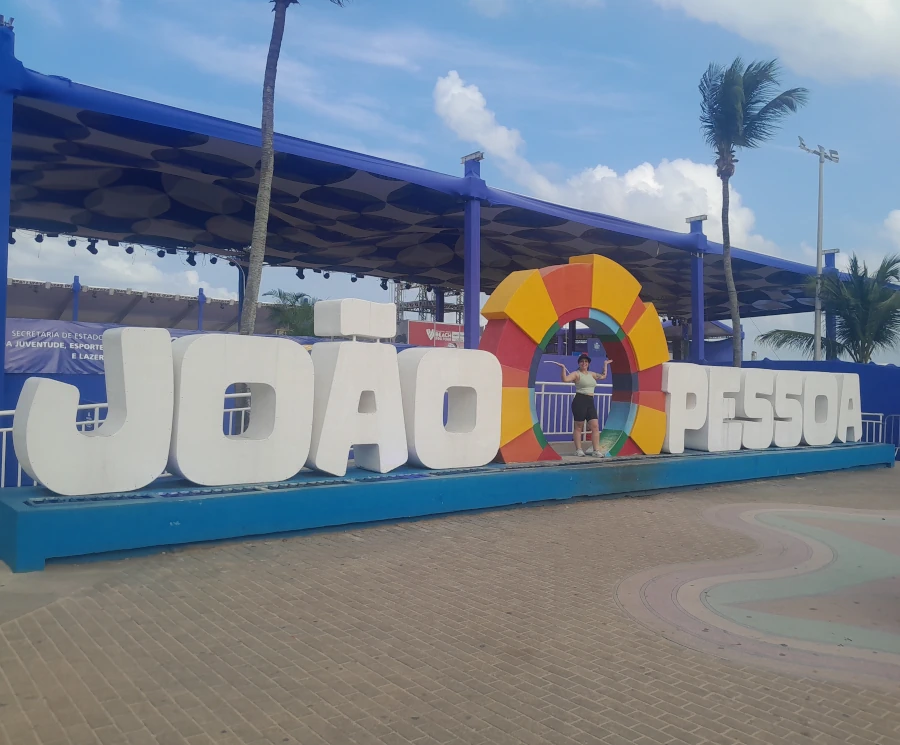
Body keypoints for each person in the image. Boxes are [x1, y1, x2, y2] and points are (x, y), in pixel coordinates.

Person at [561, 353, 612, 457]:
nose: (584, 363)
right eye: (582, 361)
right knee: (578, 427)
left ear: (588, 364)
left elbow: (603, 376)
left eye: (586, 362)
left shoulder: (591, 374)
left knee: (595, 426)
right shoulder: (576, 374)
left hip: (590, 401)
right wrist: (563, 368)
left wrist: (605, 364)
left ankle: (596, 450)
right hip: (580, 400)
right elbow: (565, 379)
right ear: (579, 363)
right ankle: (578, 449)